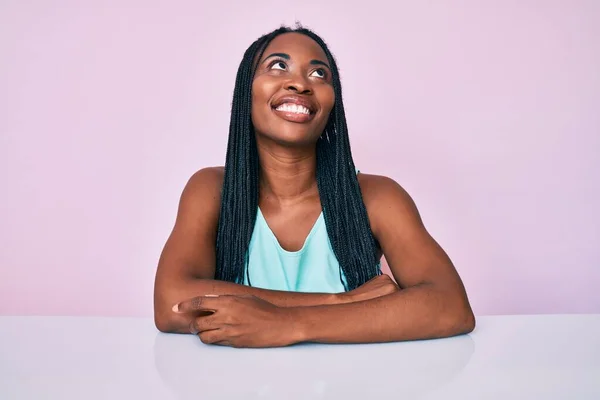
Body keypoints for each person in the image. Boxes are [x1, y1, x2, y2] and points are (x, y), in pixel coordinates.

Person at [153, 25, 475, 348]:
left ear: (332, 105)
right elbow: (171, 302)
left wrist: (286, 324)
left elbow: (450, 306)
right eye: (278, 66)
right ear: (246, 92)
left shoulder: (379, 198)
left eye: (319, 74)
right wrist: (341, 302)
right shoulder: (210, 190)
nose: (300, 83)